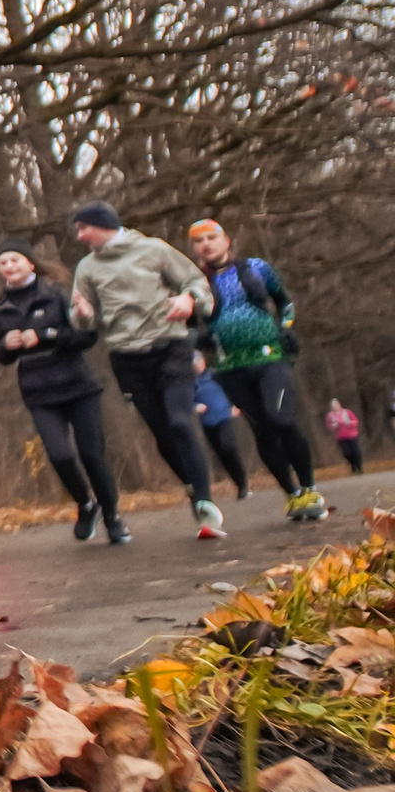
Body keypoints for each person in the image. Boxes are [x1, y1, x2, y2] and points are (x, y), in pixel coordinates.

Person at [69, 201, 222, 540]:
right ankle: (191, 486)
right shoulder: (87, 268)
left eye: (83, 228)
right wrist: (81, 313)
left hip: (170, 346)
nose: (79, 236)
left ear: (103, 224)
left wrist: (189, 301)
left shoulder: (152, 250)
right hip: (126, 357)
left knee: (181, 422)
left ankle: (205, 501)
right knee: (163, 436)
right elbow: (84, 320)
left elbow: (196, 283)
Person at [184, 220, 325, 520]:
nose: (206, 244)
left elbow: (284, 302)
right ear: (193, 248)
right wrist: (198, 339)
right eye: (198, 241)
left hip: (270, 356)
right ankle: (293, 494)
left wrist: (286, 328)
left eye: (212, 237)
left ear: (226, 240)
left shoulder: (256, 268)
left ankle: (310, 488)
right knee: (263, 430)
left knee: (282, 419)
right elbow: (185, 326)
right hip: (229, 367)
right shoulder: (192, 282)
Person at [0, 241, 127, 543]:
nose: (9, 267)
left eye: (15, 260)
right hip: (38, 391)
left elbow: (85, 336)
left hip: (78, 385)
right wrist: (5, 346)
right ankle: (85, 503)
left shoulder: (56, 296)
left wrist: (43, 335)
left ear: (31, 264)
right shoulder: (0, 309)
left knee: (92, 455)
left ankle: (113, 517)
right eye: (3, 263)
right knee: (59, 455)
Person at [193, 352, 251, 500]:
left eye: (198, 360)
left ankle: (243, 483)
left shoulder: (215, 375)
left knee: (228, 446)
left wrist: (235, 405)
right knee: (222, 454)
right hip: (207, 422)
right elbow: (185, 402)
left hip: (225, 417)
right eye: (192, 362)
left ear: (204, 361)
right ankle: (240, 485)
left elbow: (231, 388)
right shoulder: (189, 383)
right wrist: (195, 406)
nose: (196, 364)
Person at [328, 399, 365, 474]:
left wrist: (349, 423)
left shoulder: (347, 412)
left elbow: (356, 421)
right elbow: (329, 426)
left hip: (352, 435)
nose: (335, 407)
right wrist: (334, 425)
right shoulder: (330, 415)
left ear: (339, 405)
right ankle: (352, 465)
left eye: (336, 405)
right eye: (333, 406)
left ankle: (359, 467)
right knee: (346, 453)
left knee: (356, 452)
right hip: (341, 437)